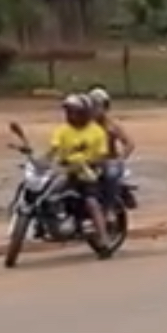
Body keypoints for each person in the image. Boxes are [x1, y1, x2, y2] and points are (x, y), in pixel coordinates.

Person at [48, 93, 112, 249]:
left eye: (75, 111)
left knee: (91, 201)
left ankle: (103, 237)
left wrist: (88, 163)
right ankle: (53, 222)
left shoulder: (97, 132)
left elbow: (102, 155)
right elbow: (53, 149)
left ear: (85, 113)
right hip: (67, 171)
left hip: (88, 174)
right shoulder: (62, 130)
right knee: (48, 194)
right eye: (68, 111)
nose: (71, 115)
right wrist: (42, 160)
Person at [87, 86, 133, 211]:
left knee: (110, 176)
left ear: (105, 107)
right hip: (89, 160)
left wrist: (121, 159)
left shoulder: (112, 126)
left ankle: (109, 208)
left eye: (98, 105)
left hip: (108, 161)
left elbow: (129, 143)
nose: (94, 109)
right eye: (92, 105)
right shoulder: (84, 125)